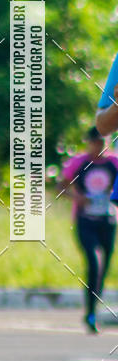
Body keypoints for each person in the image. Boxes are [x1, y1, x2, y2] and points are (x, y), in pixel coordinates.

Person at [61, 127, 118, 333]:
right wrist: (78, 198)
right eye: (95, 143)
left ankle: (93, 310)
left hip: (108, 221)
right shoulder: (80, 163)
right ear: (89, 143)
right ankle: (91, 312)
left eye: (103, 143)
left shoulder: (114, 163)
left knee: (104, 268)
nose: (99, 147)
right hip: (86, 221)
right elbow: (61, 186)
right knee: (94, 262)